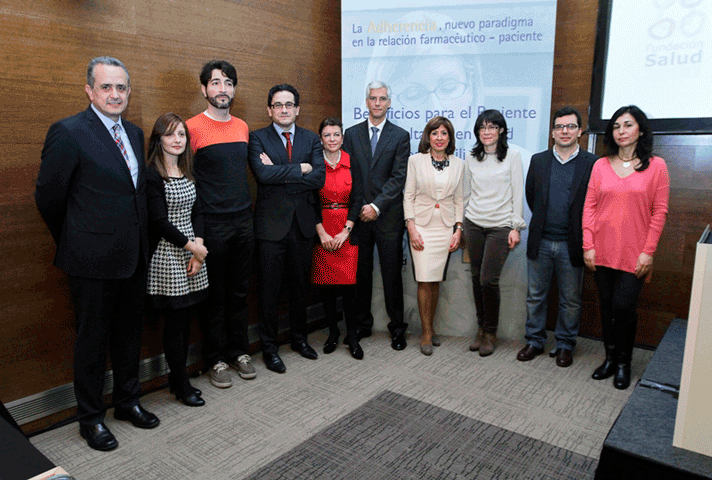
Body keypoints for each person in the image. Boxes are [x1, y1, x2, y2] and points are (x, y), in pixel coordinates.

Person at [35, 57, 159, 451]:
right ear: (89, 90)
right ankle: (90, 419)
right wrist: (76, 240)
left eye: (121, 87)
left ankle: (127, 402)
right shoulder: (69, 131)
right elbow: (49, 198)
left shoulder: (135, 133)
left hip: (134, 256)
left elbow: (134, 192)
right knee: (92, 343)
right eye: (106, 87)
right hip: (90, 260)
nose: (115, 95)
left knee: (128, 337)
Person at [583, 105, 669, 390]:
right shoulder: (600, 165)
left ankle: (624, 363)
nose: (621, 131)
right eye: (617, 126)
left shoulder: (656, 166)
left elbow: (660, 212)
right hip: (601, 250)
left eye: (628, 125)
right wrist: (588, 245)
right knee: (606, 306)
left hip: (635, 253)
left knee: (623, 307)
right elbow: (589, 208)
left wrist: (649, 251)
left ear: (640, 130)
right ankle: (609, 359)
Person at [186, 60, 255, 389]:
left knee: (239, 292)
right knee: (213, 295)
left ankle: (239, 351)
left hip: (243, 221)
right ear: (204, 89)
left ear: (234, 89)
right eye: (215, 83)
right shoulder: (191, 128)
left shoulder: (242, 127)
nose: (222, 89)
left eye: (228, 83)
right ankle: (214, 358)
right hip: (211, 225)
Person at [248, 84, 325, 374]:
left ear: (297, 109)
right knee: (269, 291)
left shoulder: (311, 139)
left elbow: (318, 177)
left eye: (289, 104)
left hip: (303, 226)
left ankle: (299, 339)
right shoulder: (256, 138)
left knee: (299, 288)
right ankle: (269, 348)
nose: (284, 110)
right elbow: (263, 175)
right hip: (270, 229)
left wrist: (285, 172)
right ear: (270, 109)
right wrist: (300, 169)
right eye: (278, 105)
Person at [516, 107, 598, 368]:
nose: (565, 131)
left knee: (570, 300)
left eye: (571, 126)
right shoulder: (539, 161)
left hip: (571, 243)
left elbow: (593, 203)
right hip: (541, 240)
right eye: (560, 127)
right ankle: (535, 341)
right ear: (552, 132)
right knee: (535, 296)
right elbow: (531, 196)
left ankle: (564, 345)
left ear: (580, 131)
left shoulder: (592, 163)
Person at [146, 113, 208, 407]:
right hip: (167, 255)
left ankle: (178, 378)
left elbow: (198, 211)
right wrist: (191, 248)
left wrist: (199, 246)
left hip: (192, 249)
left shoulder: (187, 169)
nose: (177, 140)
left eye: (181, 134)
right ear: (158, 139)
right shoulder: (151, 174)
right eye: (170, 135)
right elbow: (158, 222)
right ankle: (180, 383)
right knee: (175, 323)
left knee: (186, 322)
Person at [343, 81, 410, 350]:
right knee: (361, 275)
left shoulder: (400, 135)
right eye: (373, 98)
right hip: (359, 216)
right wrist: (361, 207)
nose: (378, 103)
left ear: (389, 102)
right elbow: (349, 175)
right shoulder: (351, 134)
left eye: (382, 99)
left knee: (392, 275)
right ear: (367, 102)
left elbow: (398, 177)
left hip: (388, 217)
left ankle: (397, 329)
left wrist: (377, 206)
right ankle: (362, 324)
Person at [463, 109, 526, 356]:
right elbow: (466, 194)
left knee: (489, 280)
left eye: (492, 127)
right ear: (478, 132)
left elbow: (517, 193)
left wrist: (516, 226)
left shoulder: (513, 156)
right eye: (482, 128)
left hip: (500, 226)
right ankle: (481, 329)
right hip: (474, 224)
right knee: (476, 278)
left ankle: (491, 332)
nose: (487, 132)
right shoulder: (471, 158)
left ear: (501, 130)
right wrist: (461, 225)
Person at [403, 116, 465, 356]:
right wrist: (411, 227)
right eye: (435, 133)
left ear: (449, 138)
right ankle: (426, 333)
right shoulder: (415, 161)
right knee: (424, 279)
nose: (439, 138)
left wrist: (458, 229)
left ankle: (431, 327)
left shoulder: (458, 164)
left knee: (435, 278)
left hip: (445, 227)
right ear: (428, 137)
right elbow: (408, 195)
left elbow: (459, 198)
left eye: (444, 134)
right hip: (421, 227)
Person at [312, 117, 364, 360]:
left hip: (347, 230)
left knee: (349, 288)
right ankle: (333, 332)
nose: (332, 139)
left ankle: (352, 336)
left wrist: (347, 230)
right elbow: (310, 199)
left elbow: (358, 198)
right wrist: (321, 232)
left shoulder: (353, 162)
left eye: (336, 135)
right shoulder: (313, 163)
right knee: (327, 289)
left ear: (343, 138)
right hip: (322, 228)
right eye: (327, 135)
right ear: (320, 138)